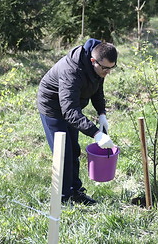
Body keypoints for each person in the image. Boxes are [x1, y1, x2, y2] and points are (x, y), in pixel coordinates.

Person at [37, 38, 117, 205]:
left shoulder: (100, 66)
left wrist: (101, 113)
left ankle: (75, 192)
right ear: (93, 61)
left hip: (72, 106)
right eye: (105, 68)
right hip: (53, 107)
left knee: (74, 149)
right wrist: (96, 134)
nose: (107, 72)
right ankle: (62, 199)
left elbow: (97, 89)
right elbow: (69, 111)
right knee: (62, 153)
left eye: (111, 68)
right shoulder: (71, 70)